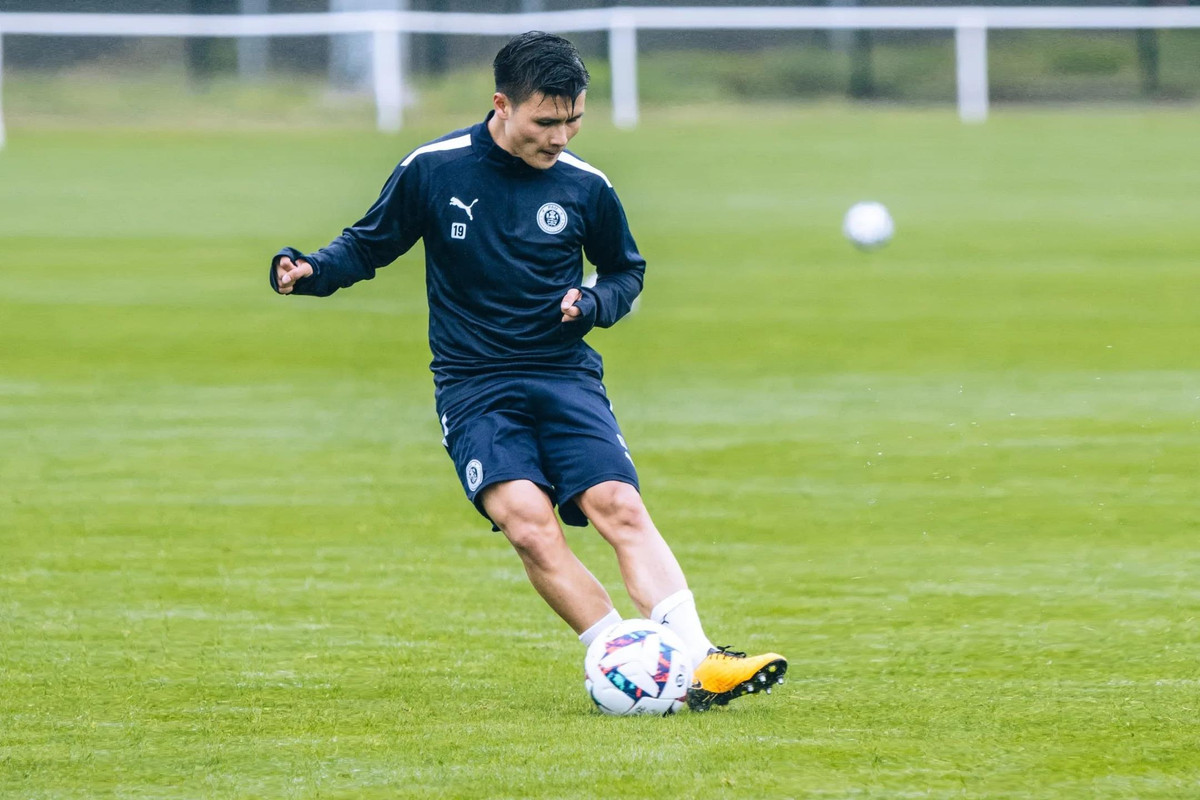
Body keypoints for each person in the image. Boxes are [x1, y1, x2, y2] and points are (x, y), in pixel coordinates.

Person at [270, 31, 786, 711]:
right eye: (546, 122)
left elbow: (625, 271)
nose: (560, 137)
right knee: (526, 523)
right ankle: (625, 662)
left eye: (573, 120)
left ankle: (702, 659)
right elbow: (369, 245)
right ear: (502, 105)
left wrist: (594, 302)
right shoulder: (435, 169)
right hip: (474, 384)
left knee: (618, 504)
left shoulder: (586, 186)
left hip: (563, 372)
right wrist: (310, 271)